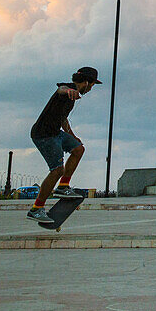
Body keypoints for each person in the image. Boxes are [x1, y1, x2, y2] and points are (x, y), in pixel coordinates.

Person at [26, 66, 100, 223]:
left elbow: (63, 119)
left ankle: (63, 186)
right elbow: (61, 88)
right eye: (92, 85)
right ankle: (36, 209)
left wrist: (73, 136)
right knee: (57, 170)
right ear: (87, 82)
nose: (91, 89)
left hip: (56, 133)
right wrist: (68, 91)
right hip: (43, 135)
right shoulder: (68, 90)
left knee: (79, 149)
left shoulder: (73, 98)